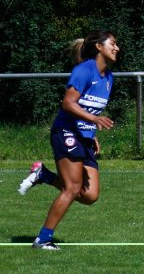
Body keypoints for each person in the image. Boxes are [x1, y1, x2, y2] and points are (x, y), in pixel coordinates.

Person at [18, 31, 120, 250]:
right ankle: (43, 239)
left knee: (90, 195)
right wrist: (94, 120)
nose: (117, 47)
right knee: (72, 188)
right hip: (66, 132)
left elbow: (89, 106)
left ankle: (43, 175)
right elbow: (68, 103)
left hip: (84, 137)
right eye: (113, 43)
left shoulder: (109, 77)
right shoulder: (84, 70)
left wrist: (91, 134)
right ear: (99, 47)